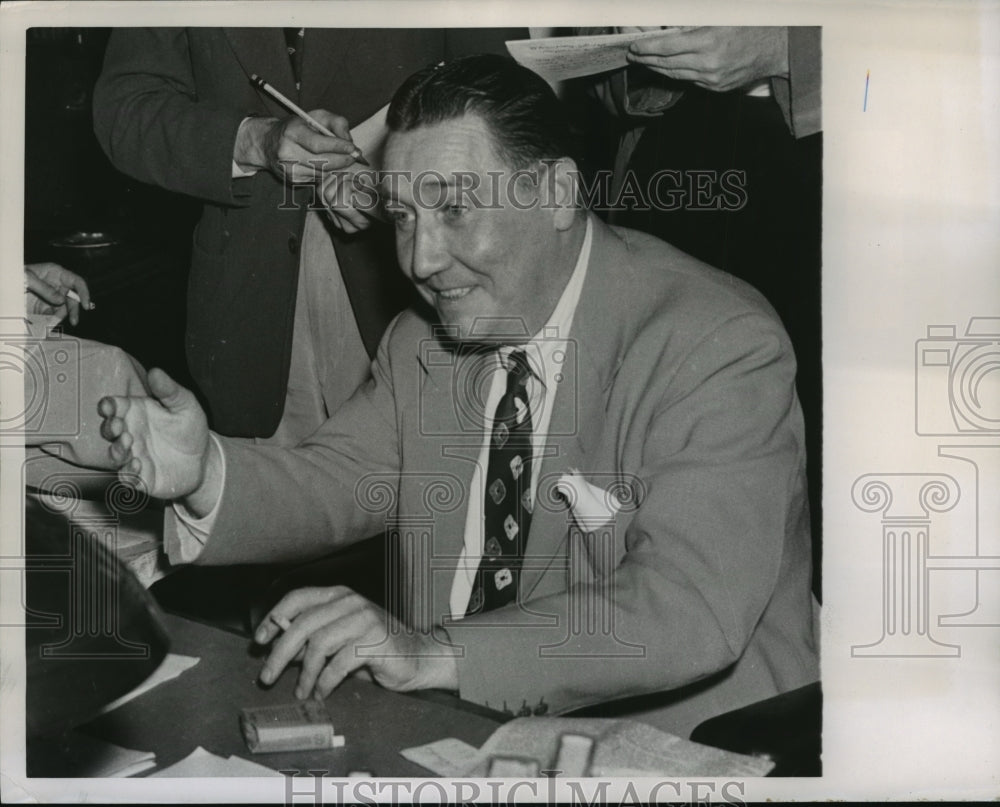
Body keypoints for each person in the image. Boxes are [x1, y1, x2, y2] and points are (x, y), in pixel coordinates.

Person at [98, 54, 818, 738]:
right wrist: (206, 473)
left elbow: (687, 607)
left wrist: (438, 655)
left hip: (683, 752)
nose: (418, 260)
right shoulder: (425, 341)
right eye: (403, 215)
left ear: (558, 194)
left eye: (453, 210)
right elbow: (339, 478)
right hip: (460, 738)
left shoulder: (716, 341)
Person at [92, 28, 519, 444]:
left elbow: (499, 91)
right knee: (280, 503)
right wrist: (252, 140)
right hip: (250, 310)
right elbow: (125, 106)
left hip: (404, 276)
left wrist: (391, 177)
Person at [584, 25, 824, 595]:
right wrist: (639, 62)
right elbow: (608, 84)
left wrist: (785, 48)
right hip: (679, 156)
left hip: (838, 160)